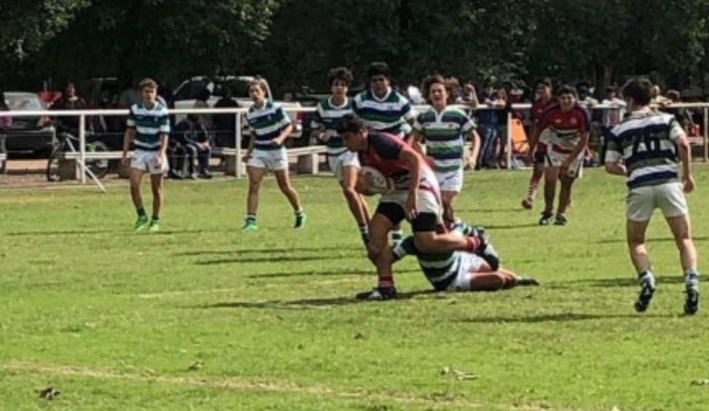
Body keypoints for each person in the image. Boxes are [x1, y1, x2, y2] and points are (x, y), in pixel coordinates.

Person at [337, 114, 495, 300]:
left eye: (347, 137)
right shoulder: (362, 154)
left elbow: (414, 159)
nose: (345, 143)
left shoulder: (381, 142)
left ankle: (476, 242)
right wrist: (368, 187)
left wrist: (412, 195)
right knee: (375, 240)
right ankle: (386, 287)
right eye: (343, 139)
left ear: (361, 132)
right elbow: (386, 182)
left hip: (420, 185)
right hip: (398, 190)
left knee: (426, 242)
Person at [604, 78, 699, 315]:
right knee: (683, 238)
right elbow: (684, 144)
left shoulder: (618, 129)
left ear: (629, 100)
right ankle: (691, 281)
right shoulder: (666, 119)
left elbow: (610, 165)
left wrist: (629, 170)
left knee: (636, 241)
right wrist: (687, 175)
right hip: (669, 183)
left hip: (640, 186)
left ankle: (646, 279)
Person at [353, 62, 416, 244]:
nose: (378, 84)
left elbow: (415, 124)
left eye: (381, 79)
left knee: (394, 189)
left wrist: (408, 145)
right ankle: (393, 233)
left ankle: (397, 234)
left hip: (394, 151)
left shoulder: (399, 100)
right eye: (374, 80)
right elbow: (353, 124)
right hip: (372, 152)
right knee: (380, 188)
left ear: (388, 80)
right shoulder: (360, 100)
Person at [392, 219, 539, 292]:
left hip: (461, 261)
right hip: (450, 280)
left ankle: (517, 280)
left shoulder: (453, 229)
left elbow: (473, 231)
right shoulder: (413, 242)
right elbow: (389, 257)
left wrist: (479, 238)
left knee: (511, 278)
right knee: (499, 279)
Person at [311, 67, 370, 244]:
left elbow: (362, 127)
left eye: (343, 85)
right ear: (331, 87)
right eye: (336, 84)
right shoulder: (323, 107)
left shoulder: (353, 106)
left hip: (350, 152)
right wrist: (322, 135)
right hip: (333, 154)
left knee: (349, 189)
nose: (339, 88)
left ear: (347, 88)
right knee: (355, 193)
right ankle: (371, 227)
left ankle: (364, 230)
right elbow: (314, 129)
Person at [412, 74, 479, 226]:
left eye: (439, 91)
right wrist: (423, 157)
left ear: (447, 93)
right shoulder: (424, 117)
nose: (436, 94)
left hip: (453, 170)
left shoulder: (457, 115)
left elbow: (475, 137)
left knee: (442, 203)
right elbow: (413, 141)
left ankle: (451, 230)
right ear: (429, 95)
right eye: (433, 92)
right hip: (432, 171)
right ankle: (458, 229)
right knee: (439, 210)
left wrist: (473, 157)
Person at [241, 78, 306, 231]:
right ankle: (251, 220)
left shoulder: (275, 108)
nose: (254, 94)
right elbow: (254, 135)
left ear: (264, 92)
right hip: (260, 151)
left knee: (285, 186)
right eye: (251, 91)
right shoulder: (250, 113)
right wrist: (248, 153)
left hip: (277, 151)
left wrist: (280, 138)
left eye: (257, 91)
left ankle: (299, 212)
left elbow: (289, 126)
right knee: (254, 184)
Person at [529, 85, 590, 226]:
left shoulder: (582, 113)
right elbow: (538, 130)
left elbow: (584, 139)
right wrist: (530, 149)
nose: (566, 101)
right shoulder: (550, 112)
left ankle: (561, 214)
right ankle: (548, 211)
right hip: (555, 148)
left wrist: (569, 160)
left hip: (574, 150)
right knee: (550, 180)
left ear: (575, 99)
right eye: (563, 98)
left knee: (566, 182)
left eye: (569, 98)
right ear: (558, 99)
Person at [121, 78, 170, 232]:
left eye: (152, 92)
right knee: (134, 184)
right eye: (146, 92)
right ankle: (141, 215)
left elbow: (164, 135)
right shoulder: (135, 109)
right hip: (140, 151)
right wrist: (125, 153)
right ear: (141, 93)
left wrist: (161, 154)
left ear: (156, 93)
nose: (149, 95)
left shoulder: (162, 111)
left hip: (155, 151)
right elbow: (129, 131)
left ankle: (155, 219)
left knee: (157, 189)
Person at [522, 78, 556, 209]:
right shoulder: (536, 106)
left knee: (557, 174)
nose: (541, 91)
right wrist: (531, 146)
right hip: (542, 143)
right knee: (537, 171)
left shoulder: (556, 104)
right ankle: (531, 197)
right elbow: (533, 126)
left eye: (544, 88)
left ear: (550, 88)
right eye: (539, 89)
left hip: (556, 144)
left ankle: (565, 199)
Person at [173, 114, 213, 179]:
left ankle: (204, 170)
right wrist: (196, 144)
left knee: (207, 149)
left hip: (196, 144)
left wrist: (205, 142)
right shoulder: (182, 125)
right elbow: (183, 138)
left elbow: (205, 134)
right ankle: (192, 172)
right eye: (191, 121)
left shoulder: (198, 124)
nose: (193, 123)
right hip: (183, 144)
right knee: (192, 149)